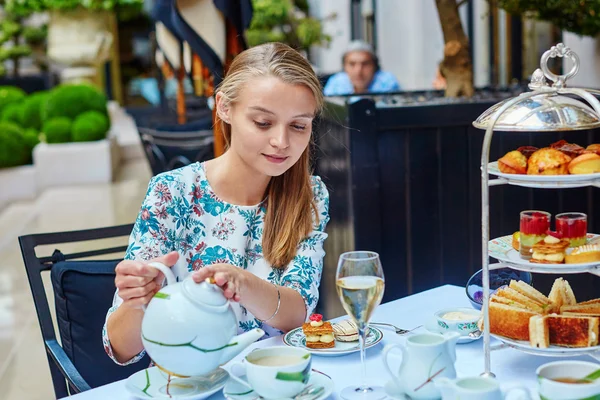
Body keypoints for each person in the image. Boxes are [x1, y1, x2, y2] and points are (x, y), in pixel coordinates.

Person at [102, 42, 330, 365]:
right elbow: (121, 348)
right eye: (263, 123)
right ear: (224, 107)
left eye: (298, 126)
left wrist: (244, 283)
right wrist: (139, 301)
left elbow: (297, 316)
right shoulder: (172, 193)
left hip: (273, 380)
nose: (282, 142)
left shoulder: (310, 196)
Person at [323, 40, 400, 96]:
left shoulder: (387, 81)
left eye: (365, 64)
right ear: (344, 67)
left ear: (375, 66)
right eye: (352, 64)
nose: (358, 71)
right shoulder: (336, 82)